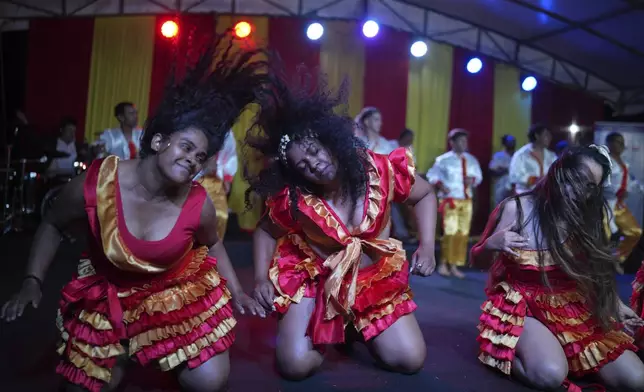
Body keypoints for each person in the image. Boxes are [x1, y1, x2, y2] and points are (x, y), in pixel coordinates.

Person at [0, 33, 267, 392]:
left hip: (174, 297)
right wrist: (32, 280)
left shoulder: (197, 201)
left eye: (200, 157)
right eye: (186, 146)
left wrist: (238, 291)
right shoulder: (94, 184)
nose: (192, 160)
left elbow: (214, 244)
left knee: (209, 382)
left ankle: (161, 346)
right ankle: (125, 348)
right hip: (109, 298)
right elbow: (51, 223)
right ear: (158, 141)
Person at [246, 66, 437, 380]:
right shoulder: (295, 198)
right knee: (296, 366)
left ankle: (354, 327)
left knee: (409, 359)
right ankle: (320, 323)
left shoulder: (379, 170)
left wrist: (427, 246)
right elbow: (266, 231)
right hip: (316, 281)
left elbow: (425, 193)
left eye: (314, 151)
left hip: (370, 281)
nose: (315, 164)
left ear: (329, 140)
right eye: (303, 165)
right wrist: (260, 278)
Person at [473, 145, 644, 391]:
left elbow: (594, 272)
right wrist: (491, 244)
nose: (580, 191)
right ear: (560, 171)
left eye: (590, 187)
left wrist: (615, 305)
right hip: (524, 305)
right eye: (578, 179)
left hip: (571, 305)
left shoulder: (586, 216)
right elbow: (476, 259)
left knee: (636, 380)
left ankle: (556, 352)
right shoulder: (517, 208)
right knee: (550, 375)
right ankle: (500, 350)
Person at [427, 129, 482, 279]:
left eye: (465, 140)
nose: (464, 143)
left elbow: (479, 176)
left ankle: (455, 265)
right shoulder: (443, 160)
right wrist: (440, 185)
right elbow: (431, 175)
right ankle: (443, 263)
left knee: (462, 234)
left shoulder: (471, 160)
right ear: (452, 142)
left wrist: (473, 180)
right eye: (461, 140)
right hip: (450, 200)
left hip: (466, 201)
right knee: (450, 232)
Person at [604, 132, 643, 271]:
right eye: (617, 142)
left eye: (622, 142)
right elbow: (601, 183)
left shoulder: (624, 163)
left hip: (619, 205)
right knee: (607, 236)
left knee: (635, 232)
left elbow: (631, 182)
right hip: (606, 204)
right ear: (609, 143)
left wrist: (638, 188)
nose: (621, 145)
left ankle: (617, 258)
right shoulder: (605, 161)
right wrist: (617, 191)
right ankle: (603, 266)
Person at [195, 130, 238, 239]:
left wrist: (227, 177)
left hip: (215, 181)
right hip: (193, 180)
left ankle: (211, 251)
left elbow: (230, 154)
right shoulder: (193, 124)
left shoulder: (225, 130)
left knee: (220, 215)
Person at [508, 124, 557, 195]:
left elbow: (557, 172)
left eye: (550, 135)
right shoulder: (521, 154)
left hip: (545, 196)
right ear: (537, 136)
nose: (549, 138)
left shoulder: (552, 155)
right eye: (546, 135)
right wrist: (534, 180)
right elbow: (514, 176)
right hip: (525, 196)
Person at [489, 135, 515, 206]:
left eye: (513, 141)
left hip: (514, 189)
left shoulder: (518, 156)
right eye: (509, 141)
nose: (512, 143)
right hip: (501, 188)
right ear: (504, 143)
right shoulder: (499, 156)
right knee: (500, 211)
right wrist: (506, 170)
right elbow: (492, 172)